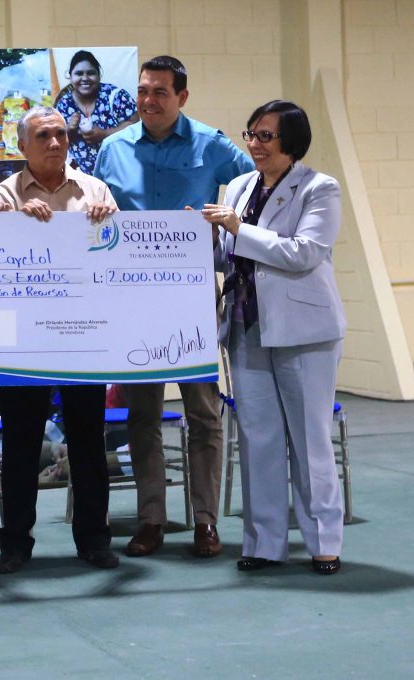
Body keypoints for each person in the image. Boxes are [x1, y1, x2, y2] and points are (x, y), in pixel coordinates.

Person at [94, 55, 254, 559]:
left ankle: (206, 521)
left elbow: (257, 189)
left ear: (182, 97)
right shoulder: (114, 148)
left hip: (191, 296)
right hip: (131, 298)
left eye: (160, 92)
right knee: (142, 413)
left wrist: (223, 222)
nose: (149, 101)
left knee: (203, 412)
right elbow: (93, 210)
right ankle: (152, 520)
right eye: (143, 91)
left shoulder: (212, 144)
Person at [202, 100, 346, 575]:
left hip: (304, 332)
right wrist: (198, 239)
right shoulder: (240, 186)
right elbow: (232, 253)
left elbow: (303, 253)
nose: (255, 144)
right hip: (246, 327)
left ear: (292, 141)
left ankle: (324, 542)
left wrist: (237, 228)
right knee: (258, 440)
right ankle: (263, 542)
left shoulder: (320, 188)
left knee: (309, 440)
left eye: (266, 136)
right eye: (251, 134)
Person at [0, 106, 120, 573]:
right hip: (24, 338)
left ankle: (94, 539)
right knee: (21, 444)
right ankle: (15, 544)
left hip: (84, 334)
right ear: (22, 145)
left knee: (88, 443)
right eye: (43, 135)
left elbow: (118, 256)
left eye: (61, 134)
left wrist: (110, 221)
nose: (56, 143)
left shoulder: (95, 190)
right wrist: (15, 220)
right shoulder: (5, 192)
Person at [55, 50, 138, 175]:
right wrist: (69, 129)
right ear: (70, 77)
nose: (85, 78)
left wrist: (105, 134)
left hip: (119, 175)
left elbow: (135, 125)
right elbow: (57, 140)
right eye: (79, 73)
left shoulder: (115, 96)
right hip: (83, 178)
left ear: (99, 75)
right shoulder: (65, 104)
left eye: (91, 73)